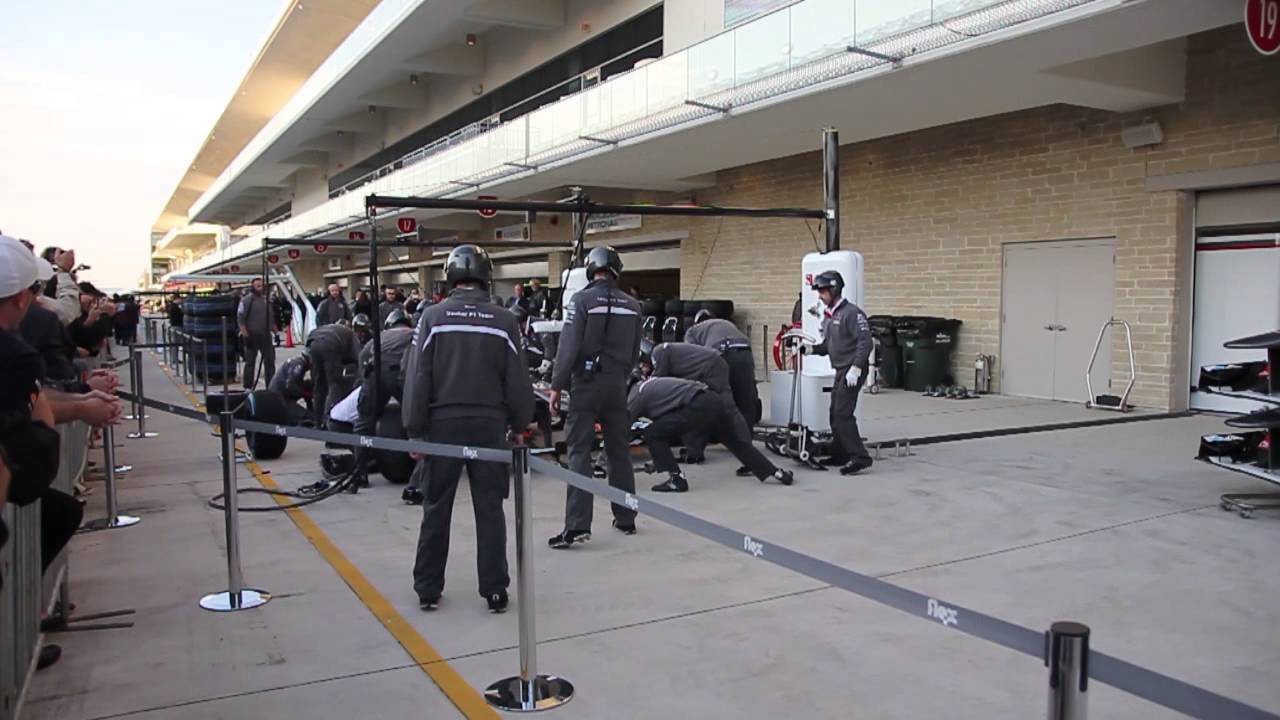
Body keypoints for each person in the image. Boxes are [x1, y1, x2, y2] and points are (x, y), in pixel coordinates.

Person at [404, 245, 533, 613]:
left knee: (436, 505)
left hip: (443, 423)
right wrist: (520, 423)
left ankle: (427, 587)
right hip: (489, 424)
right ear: (486, 275)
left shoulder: (432, 316)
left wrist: (415, 429)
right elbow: (517, 379)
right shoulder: (504, 321)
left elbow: (419, 376)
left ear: (450, 276)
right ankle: (494, 589)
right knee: (490, 507)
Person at [547, 246, 642, 549]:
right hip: (616, 384)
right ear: (616, 269)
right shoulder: (633, 305)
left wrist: (557, 385)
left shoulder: (582, 300)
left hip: (586, 385)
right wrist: (621, 378)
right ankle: (626, 517)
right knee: (619, 451)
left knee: (579, 452)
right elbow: (635, 352)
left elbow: (569, 346)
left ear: (591, 269)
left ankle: (577, 527)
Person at [628, 376, 792, 492]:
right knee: (735, 442)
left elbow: (624, 427)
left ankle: (676, 480)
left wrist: (605, 459)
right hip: (712, 399)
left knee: (653, 433)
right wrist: (660, 459)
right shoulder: (651, 384)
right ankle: (776, 472)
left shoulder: (636, 395)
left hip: (696, 405)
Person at [808, 270, 873, 475]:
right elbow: (828, 345)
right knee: (834, 413)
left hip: (852, 369)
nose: (820, 296)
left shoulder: (852, 313)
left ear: (834, 289)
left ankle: (860, 457)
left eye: (823, 291)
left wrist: (856, 367)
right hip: (840, 370)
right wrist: (809, 349)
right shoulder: (831, 316)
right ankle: (841, 453)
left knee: (842, 414)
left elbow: (866, 342)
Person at [348, 308, 416, 492]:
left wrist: (365, 380)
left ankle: (359, 474)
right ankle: (421, 475)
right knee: (416, 420)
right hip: (400, 375)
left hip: (374, 374)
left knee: (363, 423)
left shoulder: (379, 336)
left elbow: (362, 358)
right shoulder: (413, 334)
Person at [645, 341, 733, 465]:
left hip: (710, 369)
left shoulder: (659, 352)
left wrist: (645, 384)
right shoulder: (671, 351)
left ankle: (742, 445)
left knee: (726, 409)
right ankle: (695, 451)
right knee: (700, 411)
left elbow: (659, 377)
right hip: (711, 366)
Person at [684, 312, 760, 426]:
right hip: (744, 349)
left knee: (718, 392)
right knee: (746, 394)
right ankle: (746, 435)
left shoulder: (692, 331)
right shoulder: (725, 323)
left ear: (696, 322)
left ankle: (720, 430)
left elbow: (693, 356)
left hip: (722, 350)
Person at [305, 320, 362, 428]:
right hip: (330, 344)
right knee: (334, 384)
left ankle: (317, 421)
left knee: (319, 385)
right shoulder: (351, 334)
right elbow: (359, 358)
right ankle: (328, 420)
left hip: (313, 343)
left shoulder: (332, 327)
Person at [237, 278, 277, 389]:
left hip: (265, 336)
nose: (260, 288)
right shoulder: (246, 300)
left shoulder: (266, 300)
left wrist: (276, 333)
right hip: (252, 335)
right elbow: (241, 319)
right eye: (258, 286)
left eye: (261, 286)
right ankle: (248, 387)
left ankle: (271, 385)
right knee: (250, 362)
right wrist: (245, 335)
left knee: (270, 361)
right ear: (253, 287)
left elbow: (271, 318)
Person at [268, 350, 313, 424]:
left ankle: (311, 409)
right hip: (279, 398)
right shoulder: (299, 365)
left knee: (308, 384)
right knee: (307, 416)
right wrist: (304, 393)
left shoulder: (297, 361)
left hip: (282, 392)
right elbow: (290, 386)